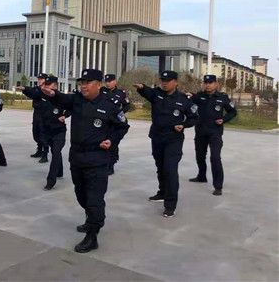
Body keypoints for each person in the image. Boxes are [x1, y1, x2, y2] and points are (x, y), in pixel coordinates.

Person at [41, 69, 129, 253]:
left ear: (99, 85)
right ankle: (92, 219)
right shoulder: (77, 100)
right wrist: (53, 93)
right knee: (81, 195)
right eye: (82, 82)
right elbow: (61, 99)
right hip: (77, 158)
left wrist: (111, 140)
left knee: (94, 199)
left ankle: (92, 234)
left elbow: (122, 126)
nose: (83, 86)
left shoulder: (109, 105)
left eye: (88, 82)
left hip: (97, 158)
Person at [134, 70, 198, 218]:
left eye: (168, 81)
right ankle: (162, 192)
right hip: (157, 137)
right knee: (160, 167)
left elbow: (193, 118)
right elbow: (147, 92)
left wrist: (183, 125)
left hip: (173, 140)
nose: (164, 83)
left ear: (176, 82)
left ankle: (170, 205)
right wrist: (141, 87)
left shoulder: (184, 99)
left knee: (170, 170)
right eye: (163, 80)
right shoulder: (157, 94)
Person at [188, 74, 237, 195]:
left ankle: (218, 186)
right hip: (200, 131)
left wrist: (223, 119)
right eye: (206, 83)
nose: (208, 85)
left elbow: (232, 112)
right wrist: (188, 96)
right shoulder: (199, 96)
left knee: (215, 158)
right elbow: (187, 103)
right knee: (200, 156)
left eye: (210, 83)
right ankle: (201, 176)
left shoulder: (222, 97)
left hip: (215, 132)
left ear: (216, 84)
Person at [101, 74, 131, 175]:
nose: (108, 83)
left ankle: (111, 165)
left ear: (115, 82)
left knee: (113, 143)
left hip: (114, 122)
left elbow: (127, 105)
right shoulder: (102, 91)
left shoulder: (121, 93)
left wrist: (120, 114)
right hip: (103, 120)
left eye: (110, 81)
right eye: (106, 81)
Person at [16, 73, 49, 163]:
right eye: (39, 79)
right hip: (37, 113)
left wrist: (25, 89)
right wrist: (25, 89)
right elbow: (32, 91)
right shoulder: (37, 88)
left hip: (44, 114)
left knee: (43, 134)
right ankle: (39, 150)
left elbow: (35, 94)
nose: (39, 80)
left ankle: (45, 154)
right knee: (36, 133)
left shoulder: (46, 90)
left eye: (41, 79)